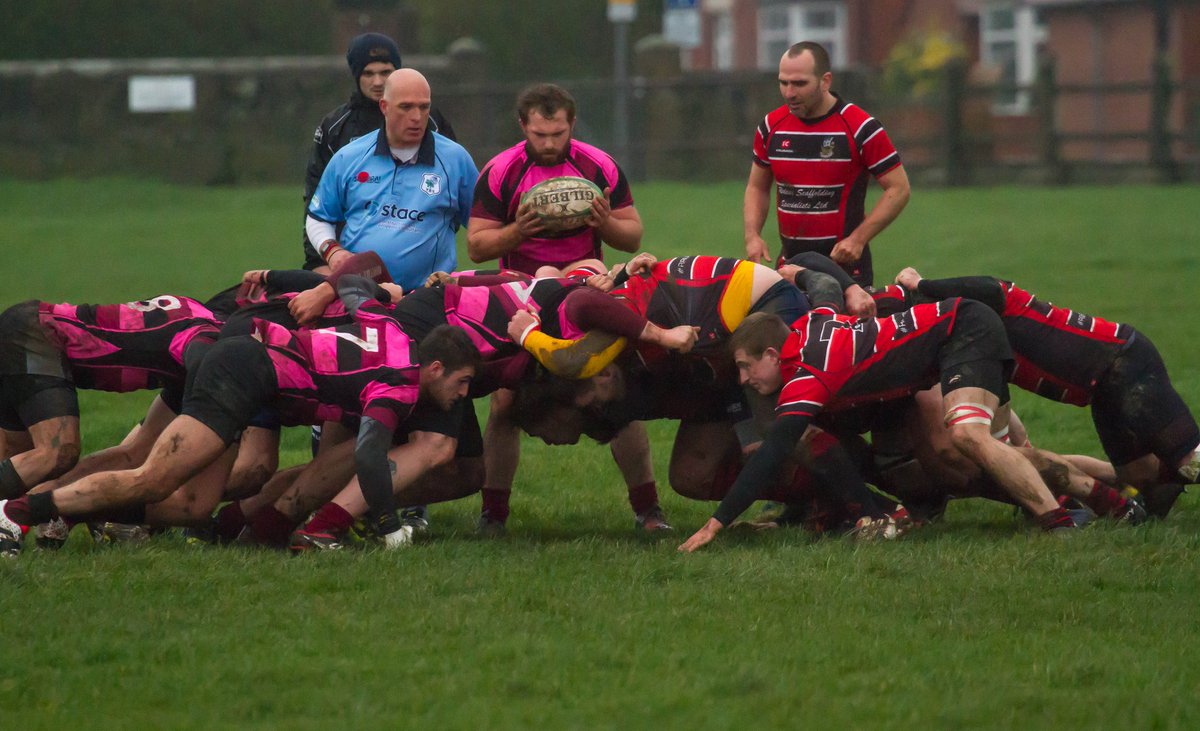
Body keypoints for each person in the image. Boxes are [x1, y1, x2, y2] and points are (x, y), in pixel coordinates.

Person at [0, 278, 480, 555]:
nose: (464, 396)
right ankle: (22, 511)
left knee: (181, 496)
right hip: (242, 372)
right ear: (434, 366)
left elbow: (355, 290)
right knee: (149, 478)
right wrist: (390, 525)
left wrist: (367, 286)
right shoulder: (398, 381)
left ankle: (64, 510)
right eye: (462, 384)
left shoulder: (386, 324)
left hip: (244, 365)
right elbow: (372, 452)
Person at [678, 298, 1080, 552]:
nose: (745, 380)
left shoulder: (805, 375)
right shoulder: (809, 324)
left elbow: (772, 454)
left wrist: (715, 525)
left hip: (962, 332)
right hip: (954, 335)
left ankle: (1062, 518)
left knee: (967, 445)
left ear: (770, 353)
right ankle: (1107, 495)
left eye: (746, 367)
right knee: (989, 455)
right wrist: (799, 273)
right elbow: (821, 282)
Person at [743, 41, 910, 286]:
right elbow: (757, 187)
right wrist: (752, 235)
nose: (790, 92)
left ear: (825, 81)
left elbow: (899, 188)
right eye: (783, 82)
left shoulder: (861, 127)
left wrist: (858, 239)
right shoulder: (771, 127)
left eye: (800, 83)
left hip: (845, 271)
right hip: (790, 265)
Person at [306, 68, 478, 293]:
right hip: (358, 293)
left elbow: (484, 224)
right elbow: (318, 216)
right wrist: (332, 251)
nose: (416, 117)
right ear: (384, 107)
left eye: (423, 107)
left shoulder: (455, 160)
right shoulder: (349, 157)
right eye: (406, 107)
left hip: (426, 296)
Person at [301, 32, 457, 274]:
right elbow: (316, 203)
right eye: (368, 73)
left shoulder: (431, 122)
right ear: (355, 76)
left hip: (422, 274)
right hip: (346, 263)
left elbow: (457, 190)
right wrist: (321, 260)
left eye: (385, 72)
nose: (377, 82)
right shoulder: (335, 127)